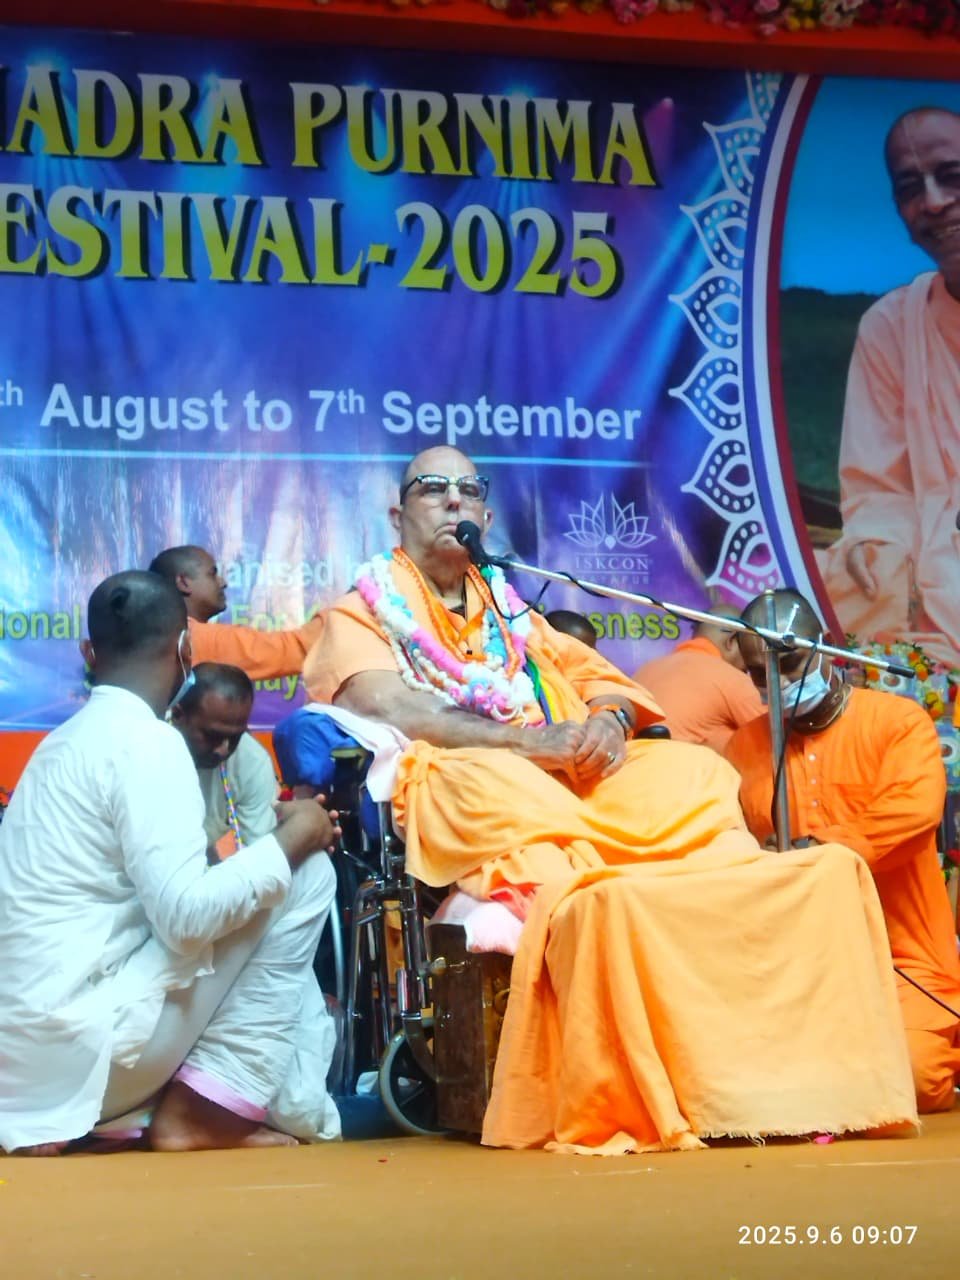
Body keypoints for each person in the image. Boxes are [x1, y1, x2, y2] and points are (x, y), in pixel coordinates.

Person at [301, 445, 918, 1153]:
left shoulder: (510, 607)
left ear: (485, 517)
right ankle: (597, 893)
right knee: (485, 785)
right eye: (432, 488)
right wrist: (529, 745)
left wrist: (606, 722)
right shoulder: (360, 611)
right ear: (397, 514)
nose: (452, 501)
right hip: (478, 771)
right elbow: (394, 706)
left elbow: (605, 682)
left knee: (695, 772)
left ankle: (696, 916)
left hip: (572, 771)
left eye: (468, 490)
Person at [0, 571, 340, 1154]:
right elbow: (186, 920)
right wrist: (297, 837)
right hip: (87, 1058)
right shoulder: (151, 742)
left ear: (89, 652)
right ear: (186, 651)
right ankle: (203, 1111)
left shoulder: (59, 743)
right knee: (307, 874)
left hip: (21, 1065)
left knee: (263, 878)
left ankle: (141, 1107)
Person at [725, 587, 960, 1113]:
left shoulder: (897, 723)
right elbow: (730, 837)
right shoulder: (744, 745)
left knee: (913, 1079)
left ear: (825, 649)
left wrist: (815, 851)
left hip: (902, 958)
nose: (777, 683)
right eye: (759, 673)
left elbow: (913, 812)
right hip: (797, 963)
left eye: (788, 663)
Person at [818, 107, 960, 665]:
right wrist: (875, 541)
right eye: (910, 189)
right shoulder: (893, 324)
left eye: (951, 176)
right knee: (847, 574)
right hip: (939, 556)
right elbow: (878, 486)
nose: (933, 203)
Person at [149, 545, 325, 680]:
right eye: (212, 574)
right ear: (183, 582)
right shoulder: (193, 637)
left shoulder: (160, 633)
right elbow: (294, 649)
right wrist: (341, 612)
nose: (223, 583)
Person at [169, 661, 280, 859]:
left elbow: (259, 855)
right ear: (178, 715)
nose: (224, 750)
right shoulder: (145, 748)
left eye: (236, 737)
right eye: (213, 736)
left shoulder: (252, 762)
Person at [632, 606, 763, 753]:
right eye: (748, 650)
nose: (748, 667)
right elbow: (779, 738)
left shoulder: (644, 671)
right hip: (681, 765)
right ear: (731, 641)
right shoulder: (730, 677)